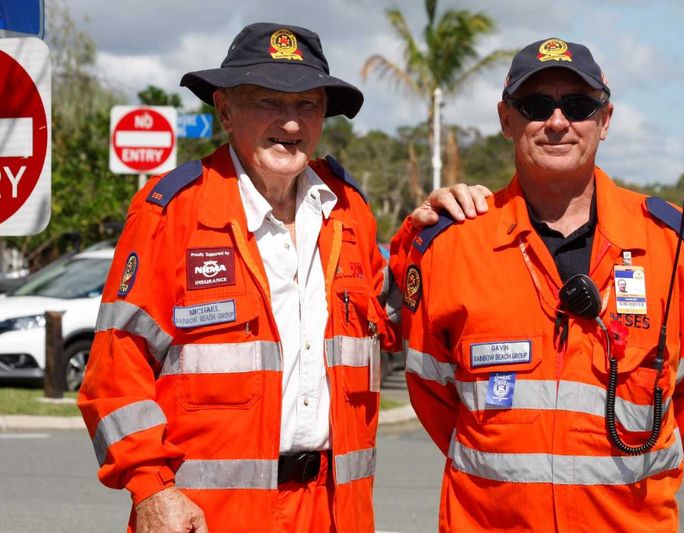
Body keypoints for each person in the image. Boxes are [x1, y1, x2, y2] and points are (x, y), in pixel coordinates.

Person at [78, 22, 487, 533]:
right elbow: (114, 373)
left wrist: (431, 232)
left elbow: (391, 320)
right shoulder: (171, 213)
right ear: (226, 110)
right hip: (207, 517)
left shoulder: (348, 210)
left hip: (335, 514)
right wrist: (152, 489)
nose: (290, 123)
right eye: (269, 102)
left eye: (307, 105)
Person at [393, 37, 684, 532]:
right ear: (506, 119)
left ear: (605, 121)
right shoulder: (453, 244)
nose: (556, 122)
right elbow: (431, 392)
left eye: (577, 106)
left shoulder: (669, 243)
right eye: (535, 106)